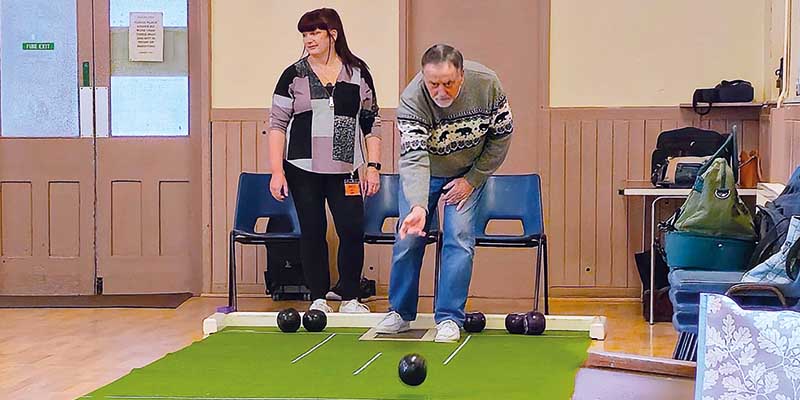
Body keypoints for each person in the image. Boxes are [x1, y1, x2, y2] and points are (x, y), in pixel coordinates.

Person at [375, 44, 513, 342]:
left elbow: (501, 136)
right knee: (410, 236)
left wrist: (473, 179)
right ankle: (399, 312)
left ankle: (449, 318)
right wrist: (418, 206)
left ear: (461, 75)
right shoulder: (412, 99)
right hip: (425, 172)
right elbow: (413, 158)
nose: (440, 91)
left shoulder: (487, 84)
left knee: (459, 238)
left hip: (466, 173)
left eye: (448, 83)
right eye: (433, 83)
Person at [268, 8, 382, 314]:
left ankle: (350, 298)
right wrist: (277, 171)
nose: (308, 40)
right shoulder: (293, 74)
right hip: (301, 166)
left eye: (314, 33)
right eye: (305, 34)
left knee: (351, 229)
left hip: (345, 166)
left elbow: (371, 122)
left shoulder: (357, 72)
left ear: (333, 33)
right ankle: (318, 296)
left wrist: (373, 166)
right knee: (313, 229)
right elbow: (277, 124)